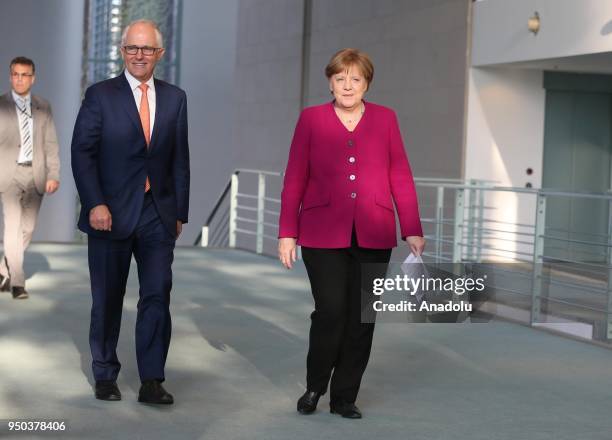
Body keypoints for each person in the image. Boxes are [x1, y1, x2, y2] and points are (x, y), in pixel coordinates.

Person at [278, 48, 425, 419]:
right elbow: (295, 177)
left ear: (366, 84)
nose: (347, 85)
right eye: (340, 78)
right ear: (330, 82)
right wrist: (287, 232)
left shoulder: (386, 119)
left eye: (355, 79)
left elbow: (400, 175)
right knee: (330, 311)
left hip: (373, 233)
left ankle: (344, 396)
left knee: (362, 318)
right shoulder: (311, 119)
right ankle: (315, 386)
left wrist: (411, 227)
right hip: (320, 233)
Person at [71, 19, 190, 404]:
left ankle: (152, 379)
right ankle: (105, 373)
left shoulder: (175, 98)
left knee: (157, 294)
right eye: (132, 48)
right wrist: (95, 203)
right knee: (107, 296)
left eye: (147, 49)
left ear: (160, 53)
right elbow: (82, 153)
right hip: (110, 213)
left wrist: (179, 212)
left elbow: (180, 160)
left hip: (158, 213)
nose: (140, 55)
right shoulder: (100, 95)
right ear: (123, 51)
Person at [0, 57, 60, 299]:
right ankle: (17, 283)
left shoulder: (43, 106)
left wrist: (54, 173)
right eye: (15, 74)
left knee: (28, 229)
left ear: (32, 78)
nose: (20, 79)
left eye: (25, 75)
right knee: (12, 226)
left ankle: (3, 269)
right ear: (10, 76)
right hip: (8, 174)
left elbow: (51, 143)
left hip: (36, 173)